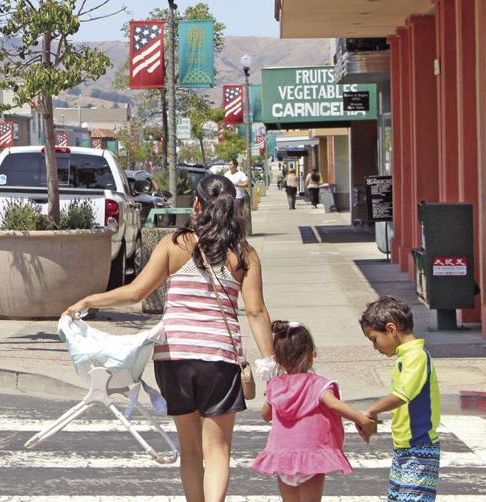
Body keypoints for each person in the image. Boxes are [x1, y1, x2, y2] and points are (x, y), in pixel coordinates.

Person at [64, 174, 274, 502]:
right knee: (217, 451)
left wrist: (89, 300)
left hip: (173, 358)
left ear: (197, 204)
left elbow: (137, 292)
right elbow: (257, 312)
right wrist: (271, 364)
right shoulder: (244, 254)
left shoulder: (175, 245)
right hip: (219, 359)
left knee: (190, 452)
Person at [251, 320, 373, 501]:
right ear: (311, 355)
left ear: (277, 359)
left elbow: (266, 415)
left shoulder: (275, 385)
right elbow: (334, 405)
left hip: (282, 455)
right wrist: (361, 419)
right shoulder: (318, 384)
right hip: (311, 456)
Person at [359, 297, 441, 502]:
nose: (375, 347)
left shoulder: (416, 356)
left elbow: (401, 396)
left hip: (420, 449)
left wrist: (371, 411)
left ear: (391, 329)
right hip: (405, 448)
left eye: (374, 339)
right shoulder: (406, 356)